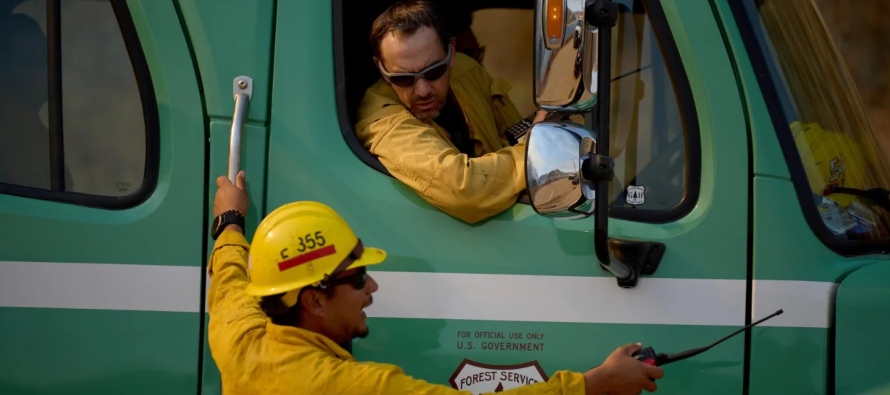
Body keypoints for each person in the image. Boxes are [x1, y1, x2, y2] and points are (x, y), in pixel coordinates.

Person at [206, 170, 665, 394]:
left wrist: (230, 220)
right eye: (358, 277)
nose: (373, 289)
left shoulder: (242, 339)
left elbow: (228, 285)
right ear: (314, 301)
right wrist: (597, 382)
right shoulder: (346, 386)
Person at [355, 0, 547, 224]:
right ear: (381, 68)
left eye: (435, 71)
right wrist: (537, 149)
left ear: (452, 52)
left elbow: (512, 139)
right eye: (404, 79)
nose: (423, 90)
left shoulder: (467, 70)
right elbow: (465, 190)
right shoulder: (381, 118)